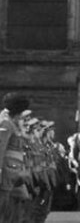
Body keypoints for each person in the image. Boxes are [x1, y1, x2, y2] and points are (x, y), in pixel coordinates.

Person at [0, 93, 30, 223]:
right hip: (6, 173)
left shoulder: (11, 122)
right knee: (5, 209)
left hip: (14, 173)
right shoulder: (6, 123)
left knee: (16, 208)